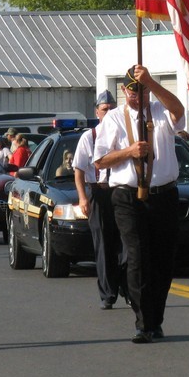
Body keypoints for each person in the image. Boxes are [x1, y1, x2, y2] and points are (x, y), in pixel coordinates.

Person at [94, 66, 185, 344]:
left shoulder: (160, 110)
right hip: (127, 195)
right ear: (124, 91)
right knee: (138, 255)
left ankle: (156, 319)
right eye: (134, 90)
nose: (139, 95)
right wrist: (128, 152)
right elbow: (100, 161)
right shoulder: (113, 118)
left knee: (162, 259)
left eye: (142, 89)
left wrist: (152, 83)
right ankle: (142, 321)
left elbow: (179, 110)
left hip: (164, 194)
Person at [73, 89, 123, 310]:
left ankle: (128, 289)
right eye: (105, 109)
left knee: (126, 244)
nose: (109, 112)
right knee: (103, 244)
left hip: (121, 192)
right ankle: (108, 294)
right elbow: (79, 170)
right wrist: (83, 197)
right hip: (99, 193)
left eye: (113, 108)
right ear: (98, 112)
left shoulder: (124, 135)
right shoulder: (89, 136)